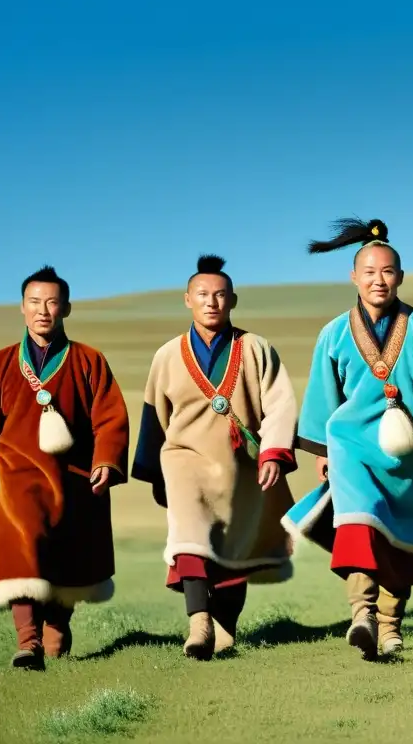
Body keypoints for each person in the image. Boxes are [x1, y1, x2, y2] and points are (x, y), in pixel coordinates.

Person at [283, 217, 413, 659]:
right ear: (353, 276)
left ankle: (390, 625)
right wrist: (324, 452)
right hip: (354, 448)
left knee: (403, 540)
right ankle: (362, 614)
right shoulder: (334, 332)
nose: (378, 280)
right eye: (369, 271)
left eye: (387, 272)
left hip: (412, 452)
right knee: (358, 524)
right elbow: (323, 394)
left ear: (400, 276)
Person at [130, 255, 300, 660]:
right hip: (183, 458)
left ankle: (225, 626)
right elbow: (155, 415)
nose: (211, 302)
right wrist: (156, 473)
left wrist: (274, 452)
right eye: (203, 295)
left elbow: (280, 404)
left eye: (220, 295)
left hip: (239, 465)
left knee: (232, 548)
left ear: (233, 300)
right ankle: (198, 621)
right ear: (187, 299)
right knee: (189, 535)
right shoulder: (167, 355)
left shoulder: (257, 348)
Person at [0, 266, 129, 670]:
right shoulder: (1, 363)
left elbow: (110, 417)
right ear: (22, 308)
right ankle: (27, 641)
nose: (43, 310)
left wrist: (106, 460)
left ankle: (56, 626)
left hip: (74, 477)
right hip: (15, 475)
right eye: (35, 302)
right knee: (23, 549)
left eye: (52, 302)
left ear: (66, 308)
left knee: (71, 557)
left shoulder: (89, 360)